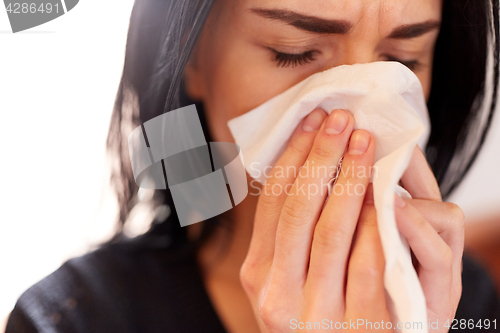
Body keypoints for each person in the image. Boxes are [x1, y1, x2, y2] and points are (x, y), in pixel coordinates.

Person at [6, 0, 500, 332]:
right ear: (191, 59)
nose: (353, 117)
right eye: (295, 53)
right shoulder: (73, 318)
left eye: (403, 61)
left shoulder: (469, 304)